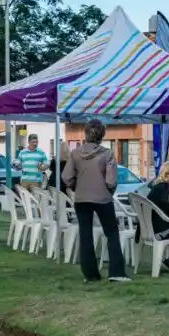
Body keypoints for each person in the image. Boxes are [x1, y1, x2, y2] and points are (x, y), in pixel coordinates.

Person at [64, 120, 128, 283]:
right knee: (112, 233)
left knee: (85, 234)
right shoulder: (107, 154)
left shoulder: (75, 153)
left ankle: (90, 274)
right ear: (102, 135)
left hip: (81, 198)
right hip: (103, 197)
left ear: (85, 134)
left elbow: (67, 177)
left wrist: (76, 186)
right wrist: (109, 190)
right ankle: (116, 272)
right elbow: (111, 181)